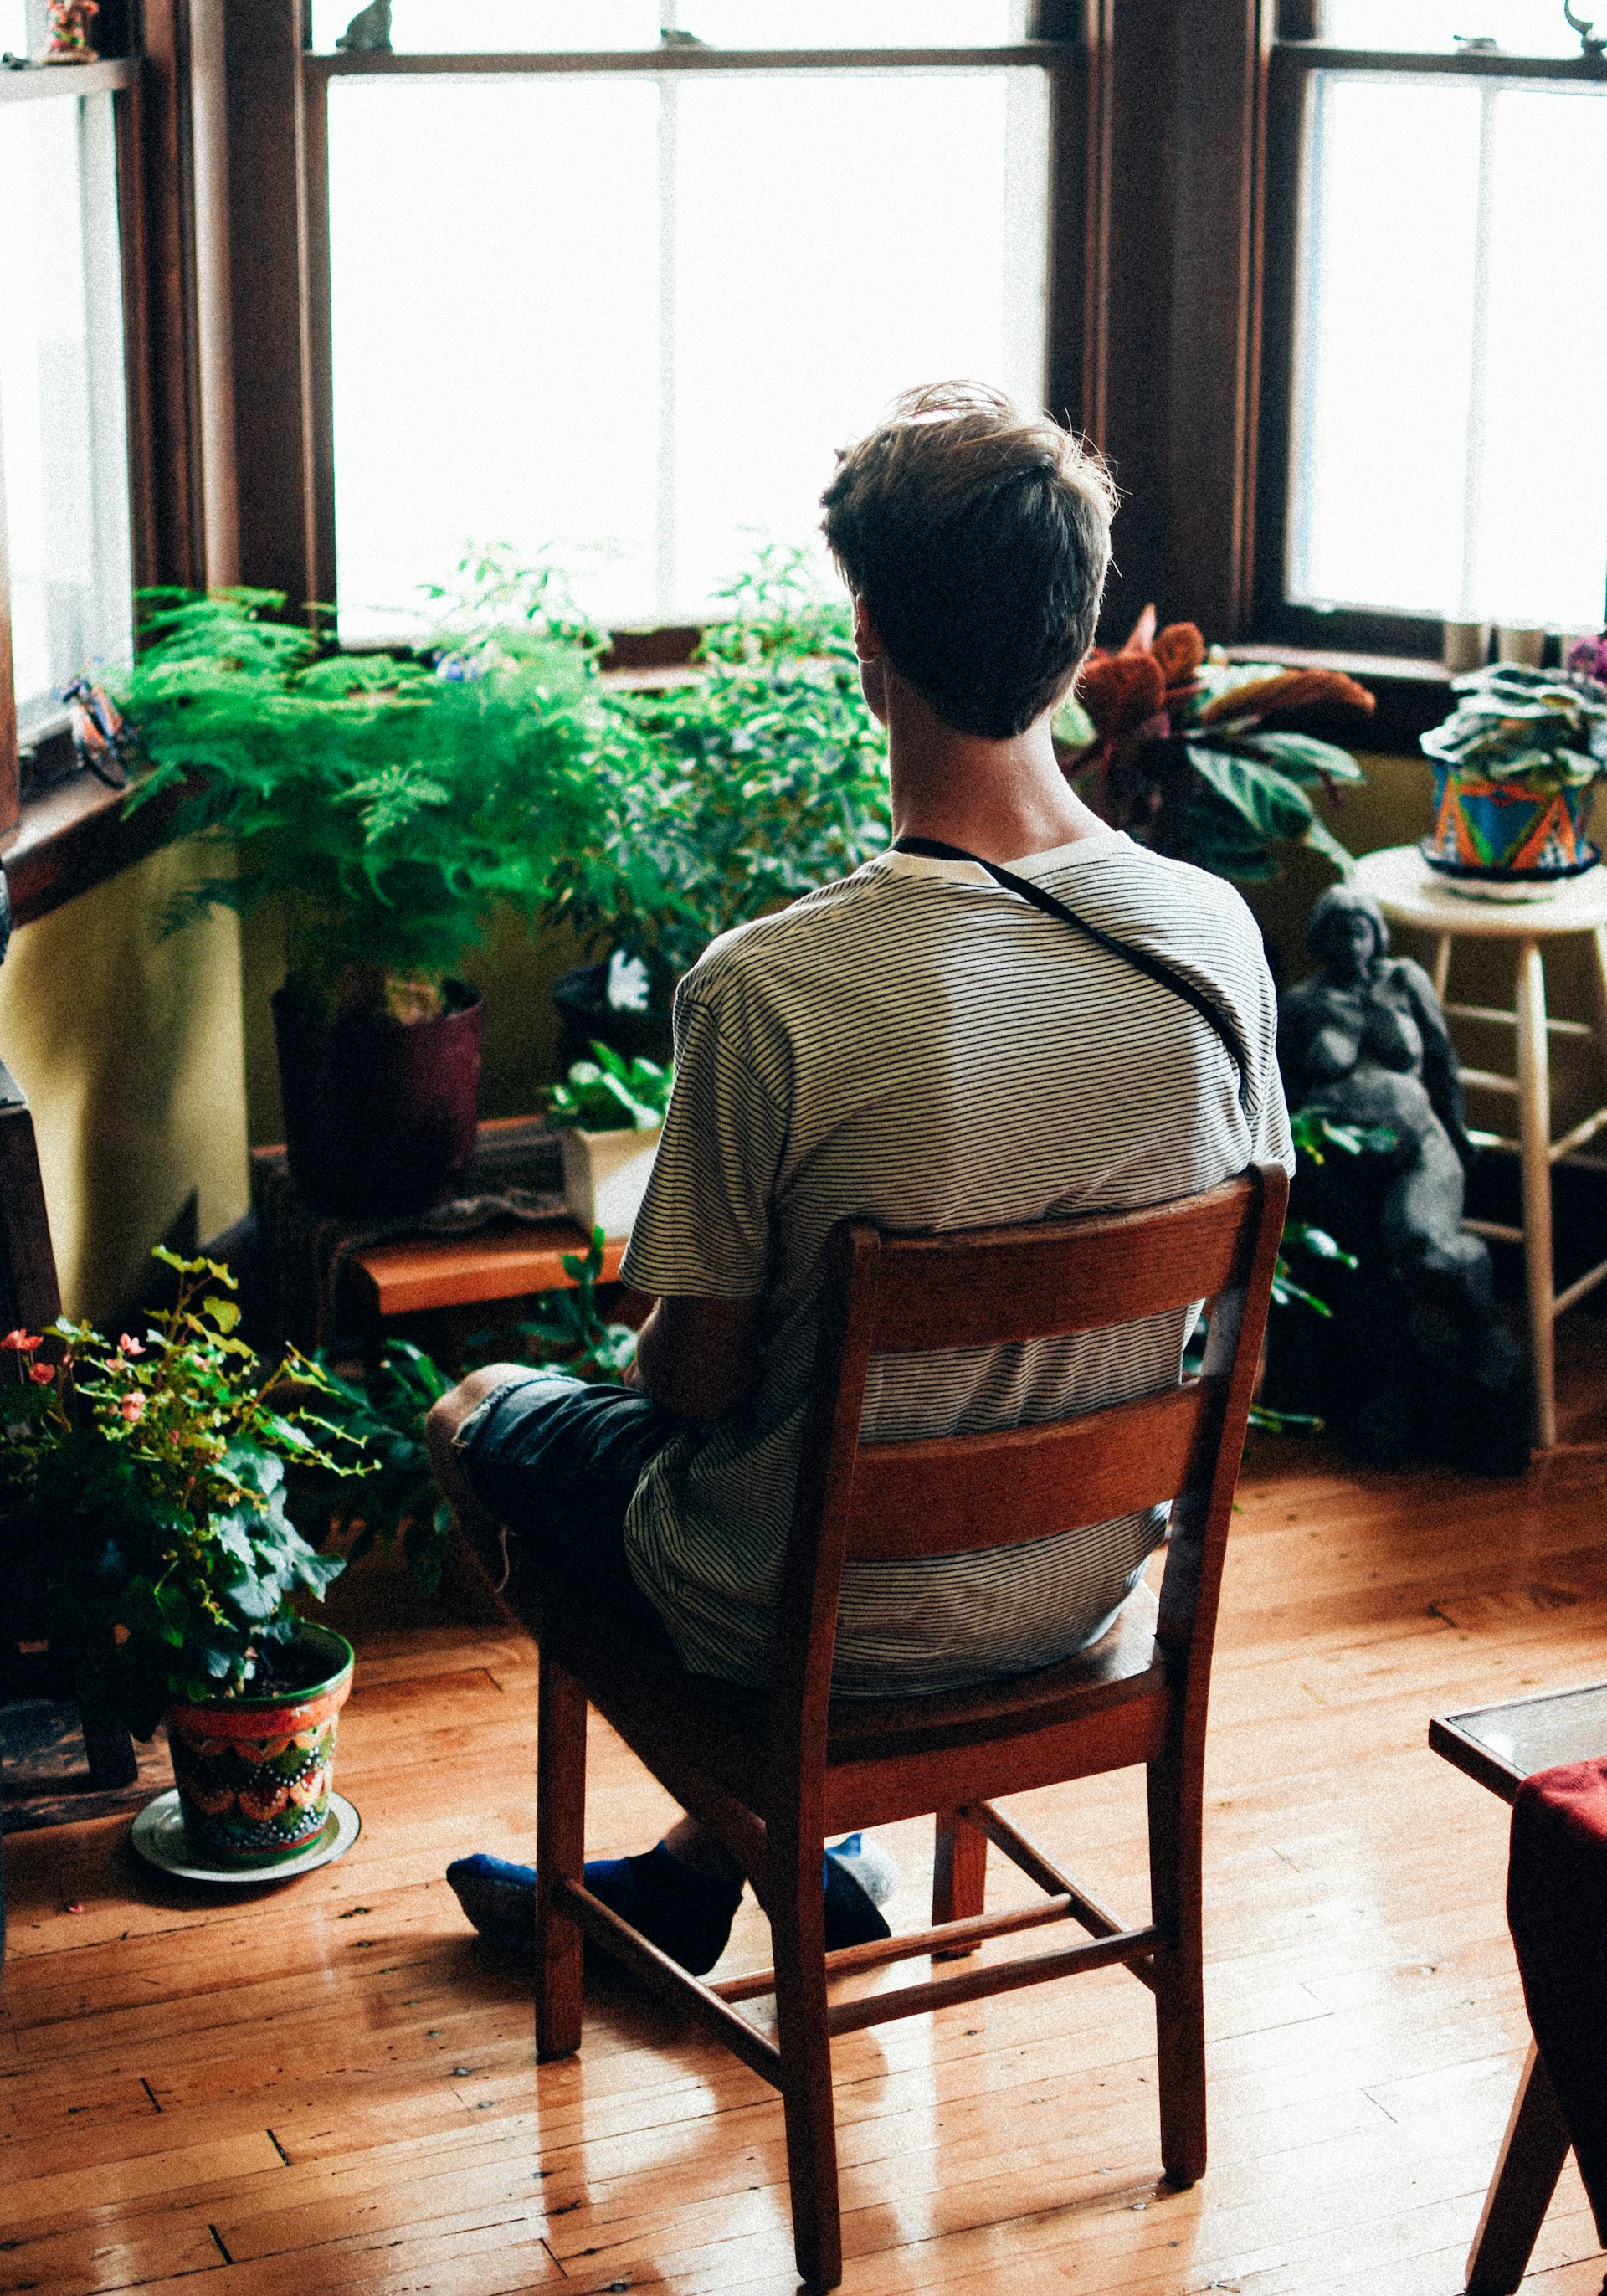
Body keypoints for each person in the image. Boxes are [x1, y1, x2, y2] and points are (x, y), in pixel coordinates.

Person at [431, 379, 1294, 1977]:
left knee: (480, 1417)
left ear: (867, 635)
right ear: (1079, 618)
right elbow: (1234, 1307)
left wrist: (644, 1330)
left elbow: (691, 1389)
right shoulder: (1212, 938)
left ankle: (763, 1839)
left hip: (804, 1624)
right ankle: (719, 1866)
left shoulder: (774, 990)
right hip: (1081, 1585)